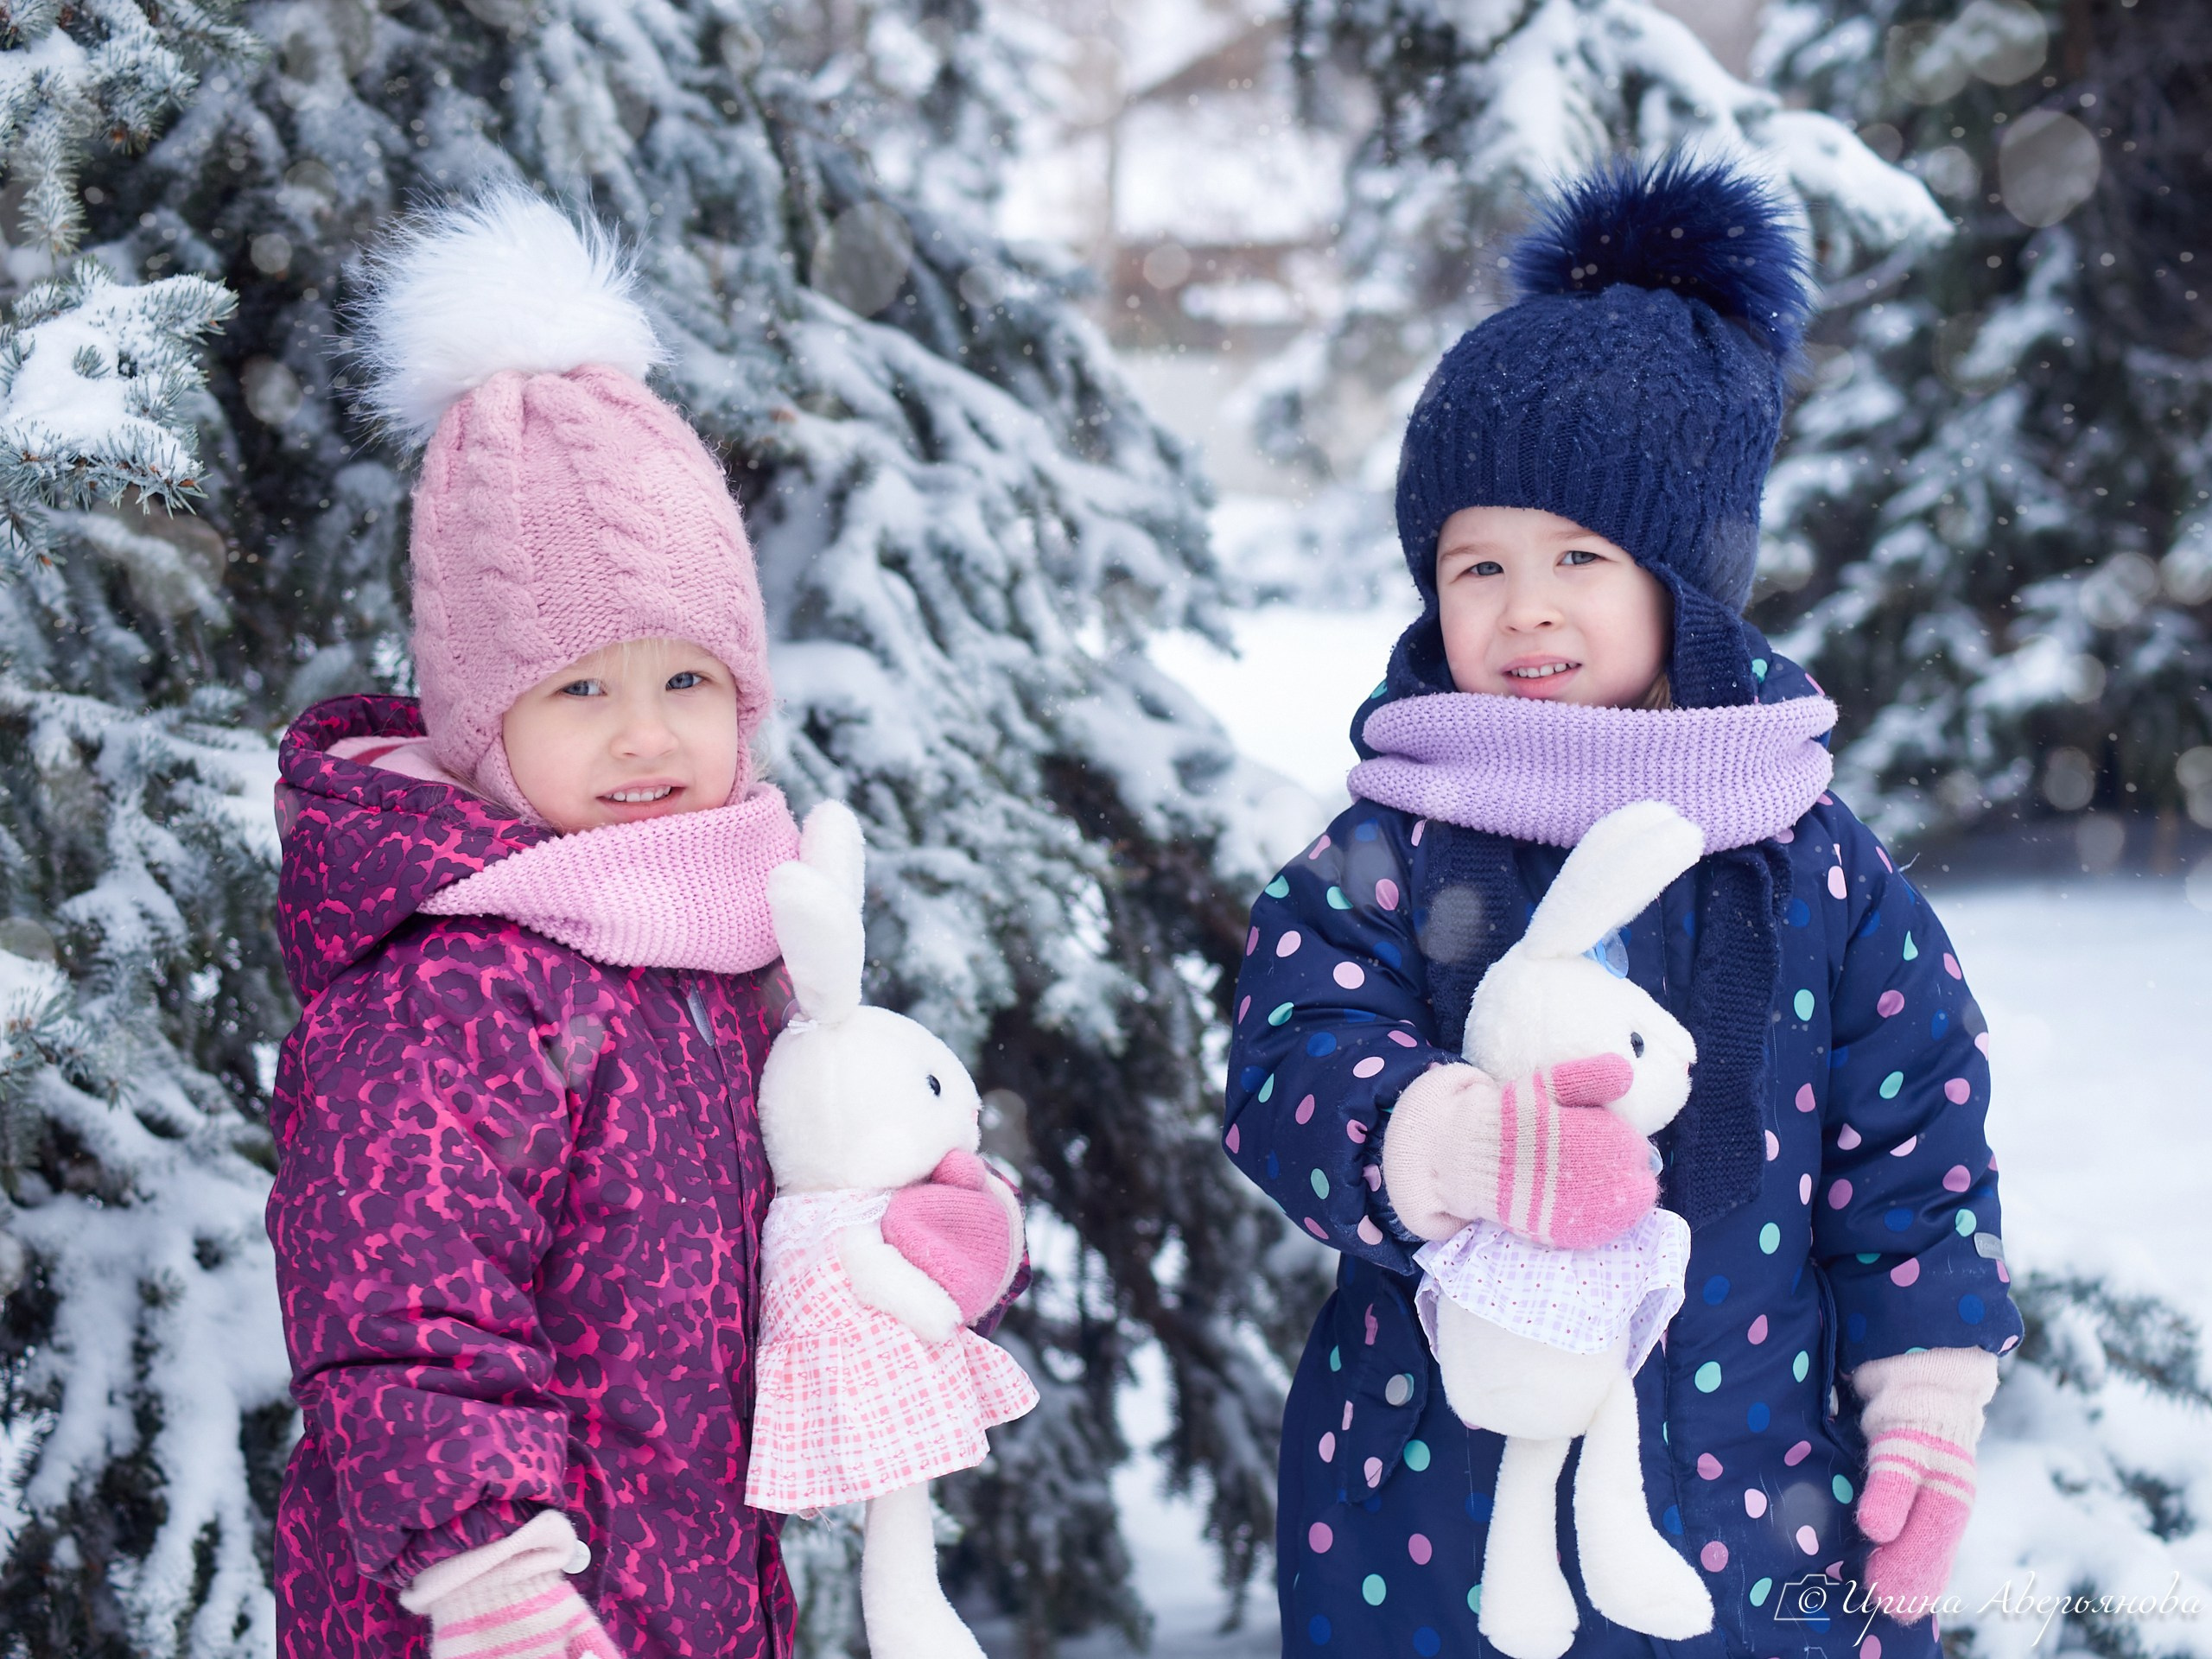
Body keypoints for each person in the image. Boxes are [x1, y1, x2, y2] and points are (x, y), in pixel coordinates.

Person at [1223, 154, 2023, 1659]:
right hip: (1424, 1501)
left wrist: (1924, 1398)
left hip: (1759, 1484)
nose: (1526, 605)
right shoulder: (1394, 840)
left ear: (1686, 585)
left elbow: (1916, 1140)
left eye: (1580, 558)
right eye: (1478, 563)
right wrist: (1433, 1136)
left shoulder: (1809, 857)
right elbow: (1289, 1058)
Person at [265, 189, 1018, 1659]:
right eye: (580, 692)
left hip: (699, 1586)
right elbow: (404, 1305)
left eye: (685, 683)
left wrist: (915, 1231)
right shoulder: (456, 978)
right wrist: (493, 1582)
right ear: (482, 726)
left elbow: (816, 1186)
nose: (643, 737)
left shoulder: (733, 936)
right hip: (497, 1611)